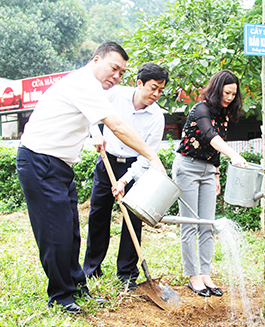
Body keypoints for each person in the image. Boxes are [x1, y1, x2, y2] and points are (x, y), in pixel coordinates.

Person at [16, 42, 166, 315]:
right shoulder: (83, 84)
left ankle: (76, 286)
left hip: (60, 166)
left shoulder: (93, 89)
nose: (117, 76)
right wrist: (152, 156)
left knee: (71, 231)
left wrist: (92, 134)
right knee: (56, 233)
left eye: (122, 72)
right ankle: (60, 297)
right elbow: (117, 125)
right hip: (39, 161)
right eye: (114, 68)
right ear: (96, 60)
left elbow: (74, 119)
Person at [83, 63, 169, 292]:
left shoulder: (157, 117)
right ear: (139, 83)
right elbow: (90, 110)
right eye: (153, 88)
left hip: (134, 167)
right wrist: (96, 135)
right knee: (98, 214)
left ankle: (127, 274)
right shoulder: (114, 95)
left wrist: (125, 180)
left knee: (133, 218)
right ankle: (91, 269)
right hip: (107, 160)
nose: (156, 94)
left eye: (161, 90)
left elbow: (147, 155)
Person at [172, 70, 247, 297]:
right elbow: (209, 136)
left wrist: (216, 175)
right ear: (217, 89)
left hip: (207, 170)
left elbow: (214, 149)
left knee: (207, 224)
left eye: (234, 94)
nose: (230, 98)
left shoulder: (223, 115)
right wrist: (233, 155)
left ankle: (205, 274)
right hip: (187, 167)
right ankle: (193, 276)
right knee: (190, 223)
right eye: (227, 92)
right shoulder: (200, 109)